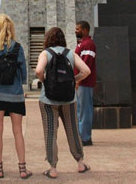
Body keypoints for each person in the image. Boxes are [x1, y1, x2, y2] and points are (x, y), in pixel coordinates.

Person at [35, 27, 91, 179]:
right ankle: (80, 163)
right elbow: (86, 71)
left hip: (48, 100)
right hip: (69, 99)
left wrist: (44, 80)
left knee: (50, 133)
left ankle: (53, 169)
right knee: (72, 130)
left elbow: (39, 70)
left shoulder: (45, 53)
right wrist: (74, 80)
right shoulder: (70, 53)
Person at [0, 14, 32, 180]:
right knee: (18, 131)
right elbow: (24, 73)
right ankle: (23, 169)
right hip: (16, 95)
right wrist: (21, 86)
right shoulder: (18, 47)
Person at [74, 21, 97, 146]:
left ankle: (85, 138)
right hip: (80, 83)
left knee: (85, 111)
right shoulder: (82, 44)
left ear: (85, 30)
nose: (76, 31)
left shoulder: (88, 45)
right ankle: (81, 135)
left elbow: (86, 65)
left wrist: (79, 80)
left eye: (78, 29)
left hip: (85, 83)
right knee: (80, 110)